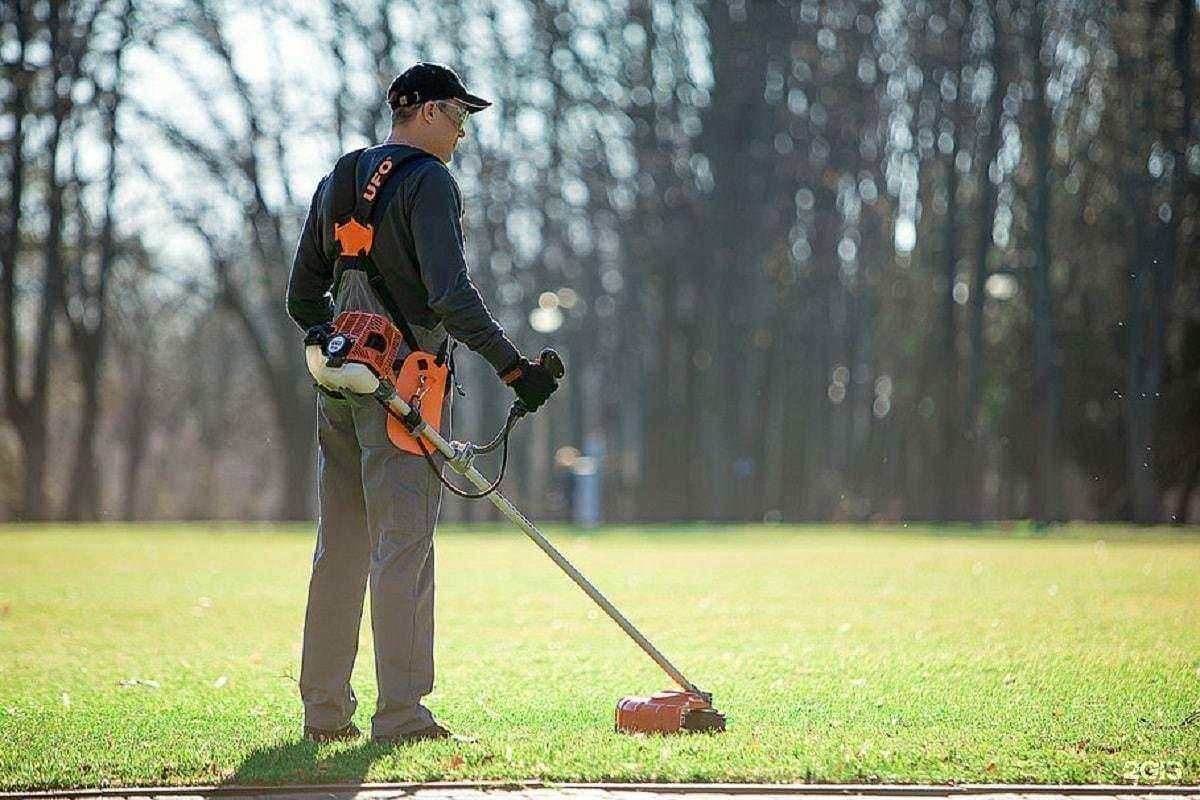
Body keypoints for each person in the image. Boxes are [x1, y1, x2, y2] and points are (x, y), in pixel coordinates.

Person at [285, 62, 559, 745]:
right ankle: (402, 716)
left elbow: (301, 299)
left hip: (339, 386)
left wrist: (335, 337)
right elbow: (449, 297)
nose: (463, 131)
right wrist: (513, 369)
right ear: (429, 113)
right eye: (459, 116)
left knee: (341, 548)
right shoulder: (429, 181)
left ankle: (324, 713)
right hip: (404, 391)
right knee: (403, 547)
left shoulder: (341, 176)